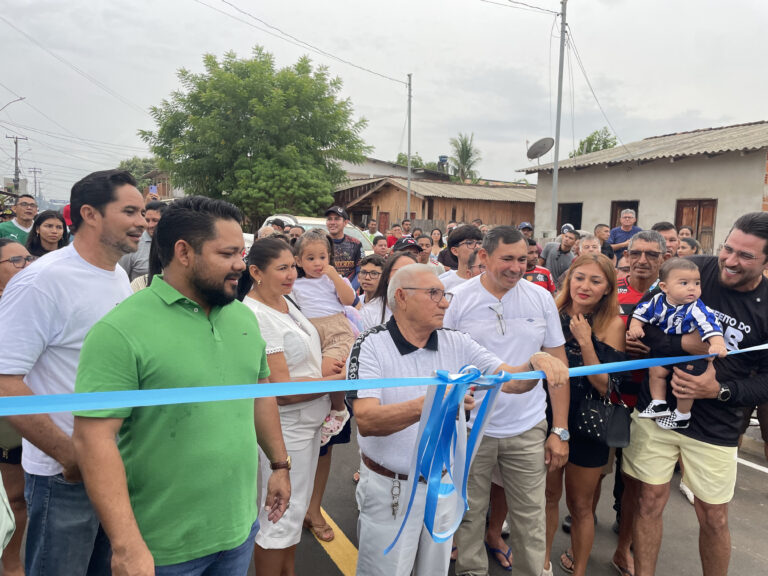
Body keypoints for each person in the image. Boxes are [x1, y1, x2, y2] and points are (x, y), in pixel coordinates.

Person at [72, 197, 290, 576]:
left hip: (238, 534)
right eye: (227, 253)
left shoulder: (242, 317)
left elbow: (260, 395)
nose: (241, 264)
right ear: (184, 252)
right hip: (159, 550)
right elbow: (93, 440)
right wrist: (125, 545)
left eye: (240, 252)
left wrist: (280, 464)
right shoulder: (119, 330)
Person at [348, 264, 569, 576]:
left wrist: (536, 361)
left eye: (445, 294)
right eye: (434, 294)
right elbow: (367, 420)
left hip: (442, 486)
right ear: (402, 297)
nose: (445, 303)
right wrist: (432, 405)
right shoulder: (370, 344)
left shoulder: (457, 342)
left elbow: (511, 382)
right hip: (391, 489)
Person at [0, 169, 145, 576]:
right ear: (89, 214)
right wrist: (68, 453)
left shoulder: (117, 275)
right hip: (63, 477)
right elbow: (5, 382)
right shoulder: (42, 281)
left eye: (142, 212)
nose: (141, 221)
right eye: (129, 211)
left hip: (113, 465)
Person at [624, 212, 768, 576]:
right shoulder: (695, 270)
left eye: (746, 256)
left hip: (717, 423)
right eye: (728, 248)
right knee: (648, 501)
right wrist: (681, 345)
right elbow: (644, 322)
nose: (730, 261)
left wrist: (720, 390)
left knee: (714, 516)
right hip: (657, 411)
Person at [447, 226, 570, 576]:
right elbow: (444, 361)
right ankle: (471, 571)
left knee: (530, 517)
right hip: (471, 427)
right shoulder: (457, 299)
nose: (517, 268)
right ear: (484, 257)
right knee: (468, 512)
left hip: (527, 426)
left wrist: (560, 431)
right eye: (507, 259)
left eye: (523, 259)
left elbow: (557, 369)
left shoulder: (541, 298)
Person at [238, 237, 345, 574]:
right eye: (281, 268)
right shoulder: (256, 314)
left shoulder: (285, 301)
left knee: (294, 511)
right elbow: (280, 390)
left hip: (307, 424)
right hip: (286, 427)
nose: (290, 275)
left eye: (292, 267)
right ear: (256, 272)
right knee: (278, 517)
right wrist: (334, 382)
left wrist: (326, 370)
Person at [543, 254, 627, 576]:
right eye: (579, 278)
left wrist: (585, 340)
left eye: (595, 281)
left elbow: (606, 386)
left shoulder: (612, 324)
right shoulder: (552, 312)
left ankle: (579, 570)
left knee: (581, 505)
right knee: (548, 497)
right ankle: (542, 563)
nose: (585, 286)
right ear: (569, 279)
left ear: (608, 288)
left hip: (590, 424)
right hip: (550, 417)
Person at [610, 230, 668, 575]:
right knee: (593, 477)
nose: (643, 260)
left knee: (635, 483)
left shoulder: (674, 295)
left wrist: (654, 349)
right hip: (608, 398)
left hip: (648, 403)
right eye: (636, 253)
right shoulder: (610, 289)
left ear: (664, 258)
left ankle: (623, 550)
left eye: (651, 254)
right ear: (627, 256)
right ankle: (580, 531)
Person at [631, 258, 727, 429]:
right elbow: (639, 313)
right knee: (656, 371)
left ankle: (682, 415)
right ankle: (659, 403)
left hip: (691, 355)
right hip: (669, 349)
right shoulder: (657, 301)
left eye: (697, 283)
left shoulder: (697, 308)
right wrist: (635, 326)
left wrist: (717, 343)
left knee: (684, 382)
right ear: (664, 287)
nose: (692, 288)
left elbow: (711, 326)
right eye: (684, 283)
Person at [291, 229, 355, 445]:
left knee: (329, 371)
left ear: (329, 257)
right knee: (314, 374)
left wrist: (335, 276)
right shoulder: (295, 284)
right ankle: (325, 413)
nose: (318, 263)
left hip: (337, 331)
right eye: (310, 258)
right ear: (298, 261)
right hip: (311, 333)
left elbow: (348, 300)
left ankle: (339, 409)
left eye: (322, 257)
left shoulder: (333, 280)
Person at [0, 238, 34, 576]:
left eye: (28, 259)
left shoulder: (32, 301)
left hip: (26, 406)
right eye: (15, 261)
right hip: (5, 408)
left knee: (17, 497)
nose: (26, 266)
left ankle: (12, 562)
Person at [360, 251, 417, 329]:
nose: (406, 277)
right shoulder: (369, 312)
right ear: (387, 276)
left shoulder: (429, 308)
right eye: (399, 271)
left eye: (412, 272)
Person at [118, 200, 165, 281]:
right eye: (147, 220)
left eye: (155, 220)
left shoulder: (173, 243)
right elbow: (120, 277)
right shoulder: (132, 244)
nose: (150, 225)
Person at [325, 206, 363, 290]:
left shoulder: (356, 244)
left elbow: (360, 272)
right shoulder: (320, 243)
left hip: (350, 289)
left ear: (345, 222)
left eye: (337, 219)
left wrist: (349, 290)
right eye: (329, 219)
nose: (332, 222)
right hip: (326, 290)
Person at [438, 225, 483, 291]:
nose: (477, 247)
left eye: (479, 243)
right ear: (455, 251)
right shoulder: (442, 284)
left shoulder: (491, 281)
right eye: (470, 243)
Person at [540, 224, 578, 289]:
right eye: (566, 236)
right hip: (542, 283)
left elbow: (566, 279)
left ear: (575, 242)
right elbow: (539, 264)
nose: (567, 239)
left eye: (570, 238)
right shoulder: (549, 246)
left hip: (556, 288)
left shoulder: (572, 259)